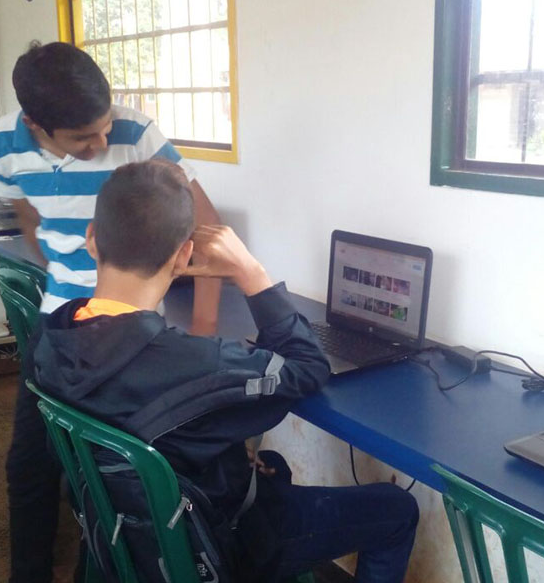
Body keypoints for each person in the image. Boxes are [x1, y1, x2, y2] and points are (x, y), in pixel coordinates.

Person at [33, 159, 420, 582]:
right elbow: (308, 369)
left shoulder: (54, 337)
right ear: (184, 255)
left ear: (91, 239)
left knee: (268, 461)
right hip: (210, 544)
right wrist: (251, 274)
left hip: (124, 531)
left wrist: (220, 447)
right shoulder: (196, 363)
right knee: (396, 509)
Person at [0, 41, 223, 582]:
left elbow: (209, 234)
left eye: (105, 126)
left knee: (119, 462)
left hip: (133, 329)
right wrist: (66, 280)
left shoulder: (137, 135)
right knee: (30, 464)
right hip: (64, 323)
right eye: (84, 138)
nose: (103, 142)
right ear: (35, 124)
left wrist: (203, 329)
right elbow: (28, 216)